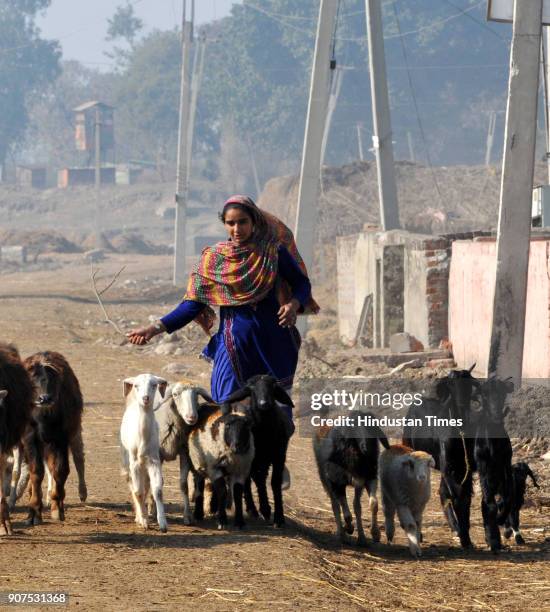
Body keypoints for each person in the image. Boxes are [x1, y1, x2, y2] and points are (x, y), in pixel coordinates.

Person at [127, 195, 319, 426]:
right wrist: (153, 328)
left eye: (243, 222)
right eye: (231, 223)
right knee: (224, 414)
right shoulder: (214, 259)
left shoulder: (273, 252)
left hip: (274, 345)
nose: (237, 229)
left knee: (276, 420)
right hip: (233, 347)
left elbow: (301, 283)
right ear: (224, 224)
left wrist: (293, 304)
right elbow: (192, 304)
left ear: (254, 222)